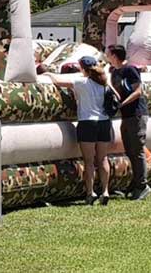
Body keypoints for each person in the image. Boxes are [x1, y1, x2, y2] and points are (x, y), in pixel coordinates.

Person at [50, 56, 112, 205]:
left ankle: (90, 192)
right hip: (104, 122)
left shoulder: (81, 82)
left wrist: (48, 74)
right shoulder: (103, 83)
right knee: (103, 158)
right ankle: (105, 190)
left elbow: (58, 82)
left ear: (82, 68)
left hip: (87, 123)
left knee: (89, 161)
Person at [106, 44, 151, 201]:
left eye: (108, 53)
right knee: (130, 149)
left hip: (136, 114)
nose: (106, 55)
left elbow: (138, 91)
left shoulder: (130, 70)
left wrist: (122, 103)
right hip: (126, 116)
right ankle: (135, 182)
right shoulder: (114, 72)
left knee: (137, 149)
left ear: (114, 55)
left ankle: (143, 185)